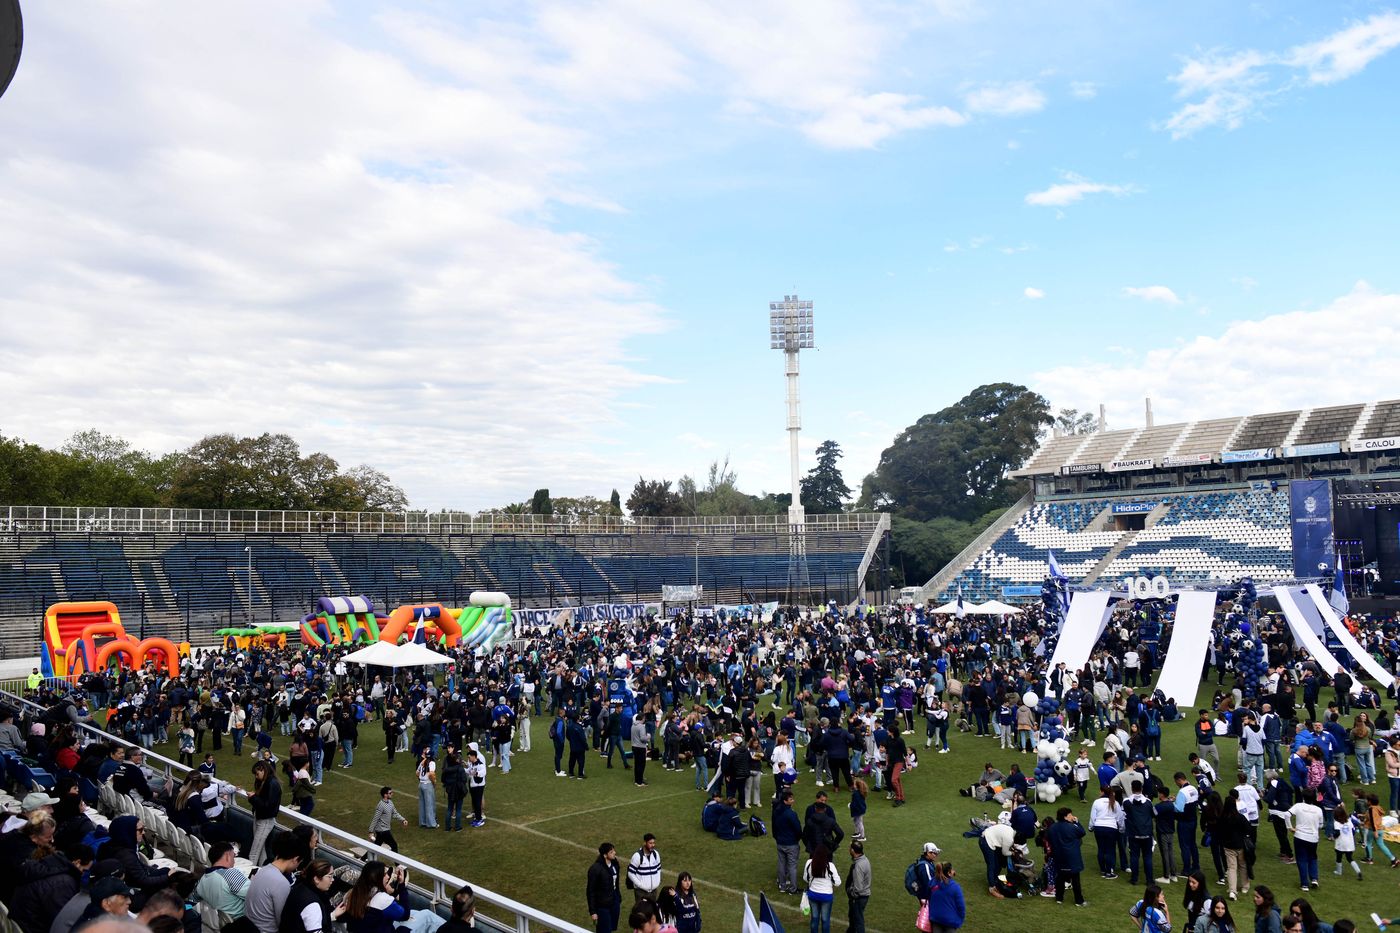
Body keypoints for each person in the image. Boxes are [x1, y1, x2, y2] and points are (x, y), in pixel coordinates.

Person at [245, 834, 302, 933]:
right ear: (295, 859)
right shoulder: (281, 882)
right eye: (299, 863)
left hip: (250, 927)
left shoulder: (262, 870)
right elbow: (283, 921)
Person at [343, 861, 412, 933]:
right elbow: (405, 915)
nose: (388, 877)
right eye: (385, 874)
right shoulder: (382, 899)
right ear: (377, 878)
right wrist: (402, 885)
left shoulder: (351, 893)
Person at [279, 858, 337, 933]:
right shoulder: (312, 904)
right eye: (330, 876)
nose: (332, 880)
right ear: (316, 879)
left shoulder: (299, 888)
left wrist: (333, 914)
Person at [195, 841, 250, 920]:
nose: (234, 861)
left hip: (219, 921)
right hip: (243, 921)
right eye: (233, 856)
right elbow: (255, 895)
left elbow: (192, 901)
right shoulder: (230, 874)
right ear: (227, 856)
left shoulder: (202, 880)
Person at [1047, 807, 1086, 907]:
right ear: (1065, 817)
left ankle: (1059, 898)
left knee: (1060, 877)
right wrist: (1077, 822)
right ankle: (1079, 901)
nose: (1072, 816)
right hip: (1072, 856)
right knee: (1075, 879)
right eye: (1070, 815)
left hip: (1058, 856)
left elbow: (1049, 838)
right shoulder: (1071, 827)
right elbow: (1082, 832)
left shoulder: (1052, 827)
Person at [246, 761, 281, 866]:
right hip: (260, 817)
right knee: (260, 850)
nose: (256, 777)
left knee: (254, 852)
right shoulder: (266, 782)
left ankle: (249, 873)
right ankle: (261, 870)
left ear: (263, 770)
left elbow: (267, 806)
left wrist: (253, 798)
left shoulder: (272, 783)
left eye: (257, 774)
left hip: (265, 820)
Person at [1286, 793, 1323, 890]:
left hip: (1300, 836)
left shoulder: (1298, 806)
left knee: (1301, 860)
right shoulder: (1318, 810)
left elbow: (1287, 814)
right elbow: (1321, 825)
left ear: (1303, 798)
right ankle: (1314, 878)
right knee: (1313, 857)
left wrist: (1290, 827)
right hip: (1313, 838)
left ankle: (1304, 884)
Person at [802, 844, 840, 933]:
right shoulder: (830, 866)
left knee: (814, 918)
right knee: (825, 920)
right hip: (826, 896)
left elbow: (805, 878)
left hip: (813, 894)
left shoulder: (809, 863)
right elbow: (837, 882)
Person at [1089, 785, 1123, 879]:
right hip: (1111, 828)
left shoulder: (1097, 802)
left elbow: (1093, 817)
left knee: (1101, 849)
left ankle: (1103, 870)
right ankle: (1109, 872)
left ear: (1102, 792)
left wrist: (1091, 827)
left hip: (1099, 828)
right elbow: (1120, 818)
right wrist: (1121, 829)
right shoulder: (1115, 803)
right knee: (1109, 850)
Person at [772, 789, 802, 894]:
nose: (793, 800)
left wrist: (777, 837)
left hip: (780, 842)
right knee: (792, 866)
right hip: (791, 843)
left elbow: (774, 826)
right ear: (785, 801)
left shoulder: (776, 811)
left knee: (781, 864)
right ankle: (793, 888)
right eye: (791, 799)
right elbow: (798, 829)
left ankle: (782, 885)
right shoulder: (791, 814)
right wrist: (797, 838)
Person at [587, 843, 622, 933]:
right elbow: (590, 891)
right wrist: (593, 911)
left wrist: (618, 898)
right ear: (605, 855)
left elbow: (616, 883)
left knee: (611, 928)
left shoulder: (615, 864)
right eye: (611, 852)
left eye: (614, 850)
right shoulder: (595, 869)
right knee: (604, 930)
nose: (615, 853)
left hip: (614, 902)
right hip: (602, 906)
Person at [977, 818, 1016, 898]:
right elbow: (1005, 853)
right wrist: (1012, 853)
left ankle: (994, 881)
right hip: (986, 841)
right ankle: (992, 888)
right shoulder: (1009, 839)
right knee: (991, 865)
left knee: (998, 863)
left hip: (990, 838)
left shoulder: (1011, 830)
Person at [924, 861, 963, 933]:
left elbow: (928, 897)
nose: (953, 871)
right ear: (949, 873)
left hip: (935, 918)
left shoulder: (932, 883)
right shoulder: (955, 887)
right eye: (952, 869)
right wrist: (960, 919)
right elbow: (961, 906)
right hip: (950, 921)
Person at [369, 786, 409, 853]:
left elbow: (395, 813)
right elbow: (375, 818)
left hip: (384, 829)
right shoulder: (381, 805)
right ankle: (396, 860)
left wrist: (403, 820)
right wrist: (371, 831)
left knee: (376, 847)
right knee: (394, 845)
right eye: (390, 793)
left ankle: (363, 858)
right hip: (382, 830)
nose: (392, 794)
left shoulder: (390, 802)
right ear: (385, 795)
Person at [627, 834, 661, 904]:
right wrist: (640, 885)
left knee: (653, 910)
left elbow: (658, 869)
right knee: (642, 910)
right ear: (644, 843)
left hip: (653, 891)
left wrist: (657, 882)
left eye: (653, 843)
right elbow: (630, 873)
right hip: (641, 892)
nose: (653, 845)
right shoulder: (637, 856)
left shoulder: (656, 854)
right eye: (650, 843)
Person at [845, 840, 870, 933]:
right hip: (863, 896)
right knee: (853, 918)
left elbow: (858, 888)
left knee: (858, 921)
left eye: (850, 848)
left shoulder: (858, 866)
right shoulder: (865, 859)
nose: (849, 849)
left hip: (858, 898)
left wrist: (850, 892)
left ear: (853, 850)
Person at [441, 750, 467, 832]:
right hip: (459, 790)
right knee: (458, 809)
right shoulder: (460, 768)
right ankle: (458, 827)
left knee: (449, 809)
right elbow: (464, 779)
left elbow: (443, 779)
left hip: (450, 790)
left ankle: (447, 827)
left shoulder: (447, 769)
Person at [466, 745, 487, 828]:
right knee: (475, 803)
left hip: (478, 786)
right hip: (473, 786)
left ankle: (479, 820)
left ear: (474, 756)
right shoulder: (472, 764)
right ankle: (477, 818)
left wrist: (476, 773)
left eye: (469, 757)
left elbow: (483, 772)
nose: (468, 758)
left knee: (478, 803)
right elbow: (469, 771)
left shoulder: (480, 764)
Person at [416, 747, 438, 828]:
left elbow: (417, 773)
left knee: (422, 804)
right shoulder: (432, 763)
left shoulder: (422, 762)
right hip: (427, 784)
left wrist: (421, 779)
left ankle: (423, 822)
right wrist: (434, 782)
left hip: (421, 784)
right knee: (429, 804)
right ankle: (431, 824)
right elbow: (431, 774)